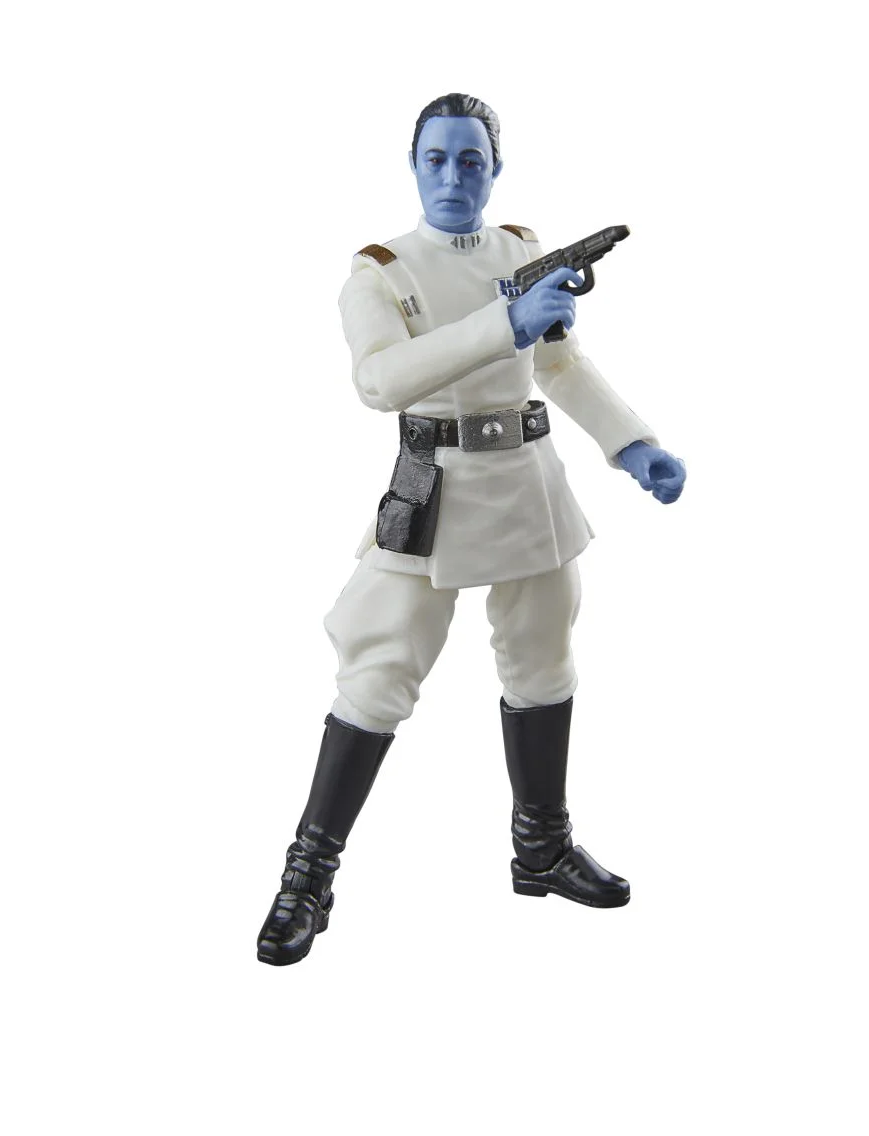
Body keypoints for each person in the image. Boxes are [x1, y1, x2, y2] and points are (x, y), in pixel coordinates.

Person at [257, 93, 686, 965]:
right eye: (437, 159)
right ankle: (308, 876)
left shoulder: (521, 252)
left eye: (471, 160)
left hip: (528, 482)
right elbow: (381, 381)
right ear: (413, 165)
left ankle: (543, 848)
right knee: (378, 670)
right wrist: (503, 323)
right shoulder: (381, 273)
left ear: (495, 169)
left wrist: (632, 442)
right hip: (434, 486)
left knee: (544, 658)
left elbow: (561, 365)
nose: (454, 176)